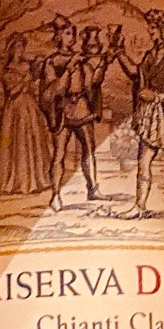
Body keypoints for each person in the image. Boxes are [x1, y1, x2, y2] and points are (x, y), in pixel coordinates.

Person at [114, 9, 164, 232]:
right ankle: (139, 206)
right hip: (153, 118)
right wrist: (119, 52)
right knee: (143, 161)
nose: (150, 32)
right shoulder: (149, 56)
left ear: (162, 30)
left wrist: (155, 96)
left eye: (153, 28)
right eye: (150, 28)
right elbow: (136, 74)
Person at [39, 15, 103, 211]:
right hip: (63, 110)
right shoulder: (51, 62)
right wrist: (69, 67)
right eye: (67, 33)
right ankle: (56, 194)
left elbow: (91, 83)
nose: (71, 37)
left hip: (81, 107)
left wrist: (102, 65)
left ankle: (92, 188)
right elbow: (53, 90)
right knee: (59, 153)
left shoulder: (81, 58)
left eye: (73, 34)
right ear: (58, 36)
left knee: (89, 149)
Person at [0, 33, 52, 195]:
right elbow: (12, 92)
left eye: (22, 46)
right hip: (15, 109)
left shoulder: (26, 65)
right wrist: (25, 80)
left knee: (33, 140)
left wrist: (36, 71)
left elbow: (34, 81)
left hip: (29, 107)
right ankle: (17, 182)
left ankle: (36, 179)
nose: (21, 50)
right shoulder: (7, 70)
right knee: (17, 142)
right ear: (11, 49)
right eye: (18, 47)